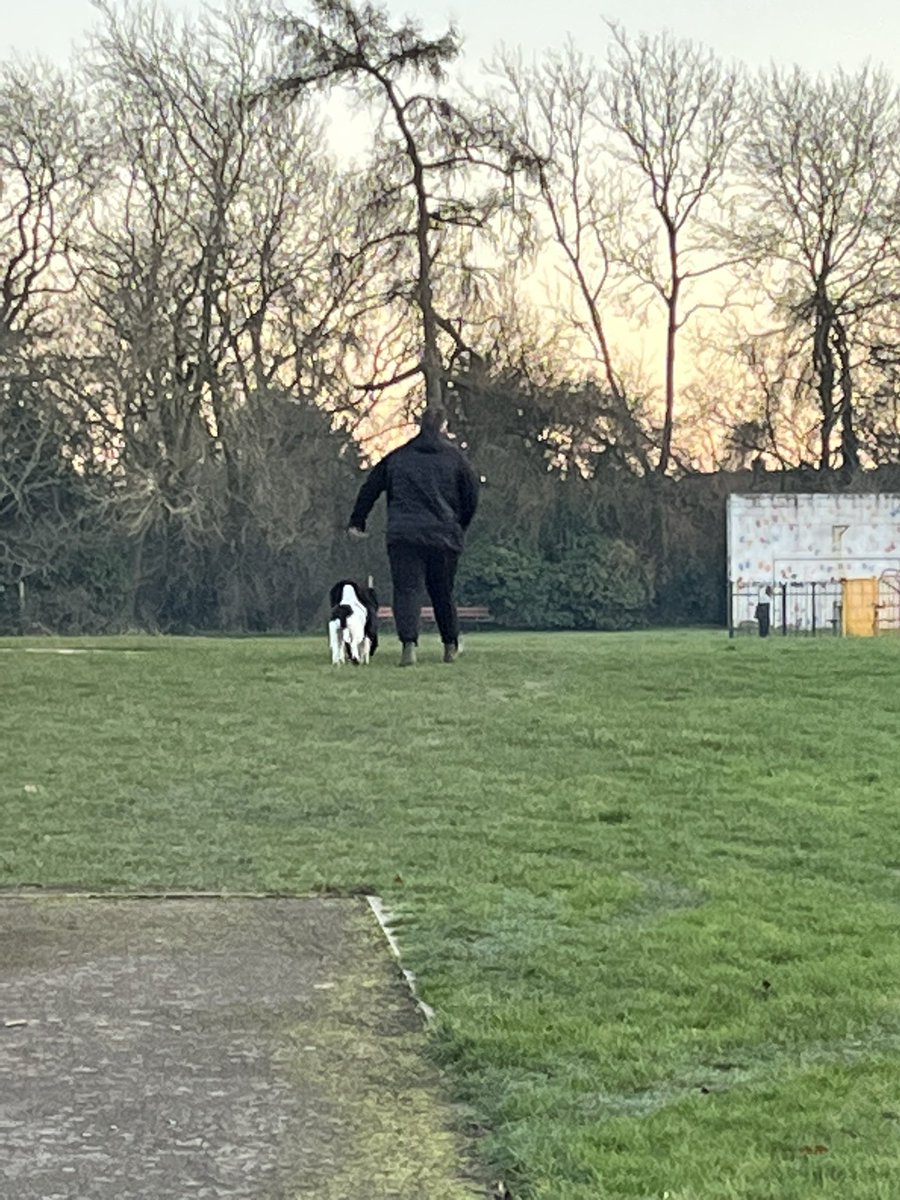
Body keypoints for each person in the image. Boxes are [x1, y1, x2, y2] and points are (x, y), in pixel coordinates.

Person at [348, 405, 479, 666]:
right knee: (442, 591)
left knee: (407, 590)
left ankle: (409, 646)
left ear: (419, 425)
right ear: (443, 426)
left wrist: (357, 520)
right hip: (444, 535)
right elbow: (471, 495)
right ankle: (450, 645)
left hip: (404, 535)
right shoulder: (455, 460)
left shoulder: (398, 457)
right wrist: (459, 525)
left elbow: (371, 487)